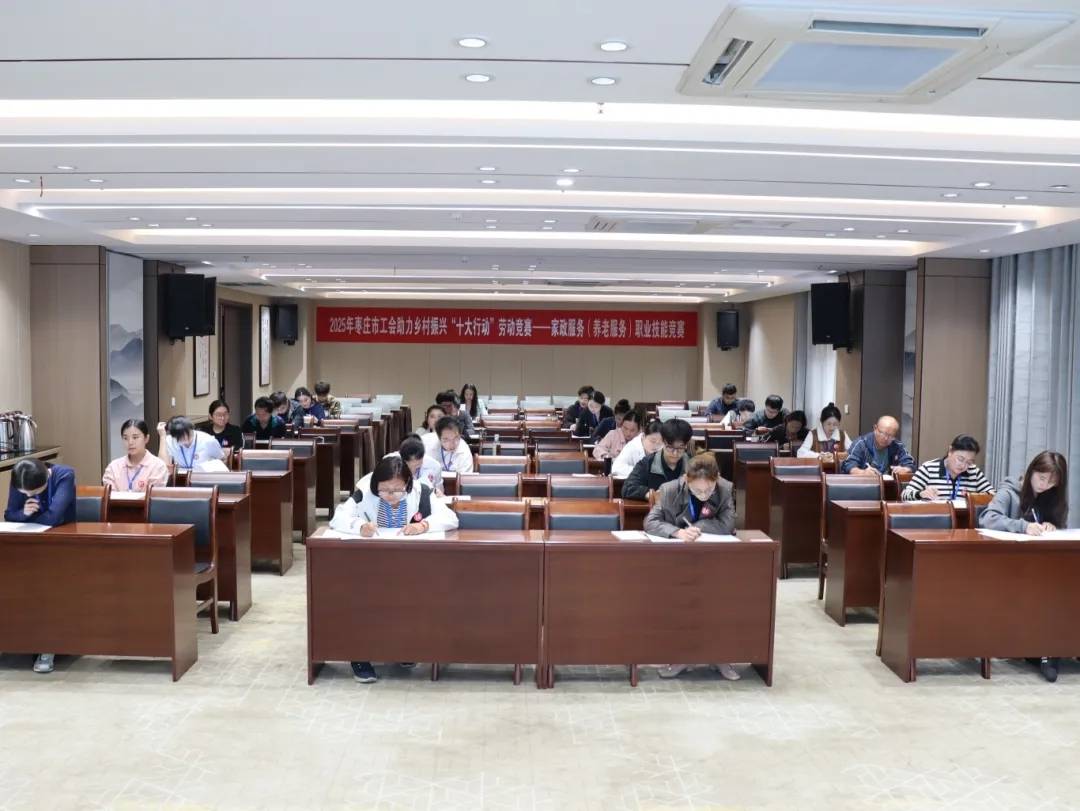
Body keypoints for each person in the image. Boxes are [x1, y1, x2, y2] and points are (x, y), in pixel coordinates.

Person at [329, 455, 459, 684]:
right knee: (365, 606)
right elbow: (338, 517)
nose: (390, 496)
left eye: (397, 490)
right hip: (369, 565)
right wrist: (359, 526)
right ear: (375, 485)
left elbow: (450, 517)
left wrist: (423, 525)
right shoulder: (364, 491)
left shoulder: (422, 491)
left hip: (408, 565)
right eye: (384, 490)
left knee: (407, 605)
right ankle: (360, 657)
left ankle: (403, 649)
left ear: (407, 484)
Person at [644, 451, 741, 682]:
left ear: (716, 480)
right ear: (687, 481)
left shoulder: (725, 488)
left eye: (709, 490)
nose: (704, 495)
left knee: (720, 601)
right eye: (698, 491)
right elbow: (650, 522)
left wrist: (699, 527)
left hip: (714, 561)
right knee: (683, 602)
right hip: (676, 562)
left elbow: (728, 524)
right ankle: (681, 656)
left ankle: (719, 655)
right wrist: (677, 532)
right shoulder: (669, 490)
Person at [980, 451, 1069, 682]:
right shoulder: (1010, 491)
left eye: (1051, 482)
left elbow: (1059, 526)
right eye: (1041, 478)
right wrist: (1023, 526)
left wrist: (1051, 526)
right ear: (1031, 472)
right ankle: (1047, 652)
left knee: (1063, 585)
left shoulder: (1051, 497)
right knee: (1047, 589)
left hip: (1040, 564)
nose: (1044, 485)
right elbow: (988, 518)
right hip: (1008, 565)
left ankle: (1050, 649)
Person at [5, 457, 76, 675]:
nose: (29, 496)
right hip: (28, 546)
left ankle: (47, 646)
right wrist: (24, 513)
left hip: (63, 545)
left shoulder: (64, 475)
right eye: (24, 493)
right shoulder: (21, 476)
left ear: (46, 477)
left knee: (49, 589)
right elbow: (9, 514)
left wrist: (27, 517)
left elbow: (54, 517)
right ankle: (18, 640)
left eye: (34, 492)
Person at [901, 435, 993, 501]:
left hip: (966, 520)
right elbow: (904, 495)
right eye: (960, 459)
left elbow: (993, 495)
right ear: (950, 451)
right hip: (937, 519)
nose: (963, 466)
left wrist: (973, 497)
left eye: (969, 462)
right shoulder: (928, 468)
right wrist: (921, 494)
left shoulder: (974, 472)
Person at [622, 418, 693, 501]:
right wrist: (651, 494)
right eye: (670, 447)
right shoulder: (648, 463)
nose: (675, 453)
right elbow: (627, 488)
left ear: (686, 445)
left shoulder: (692, 464)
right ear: (663, 442)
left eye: (680, 448)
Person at [355, 435, 445, 498]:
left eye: (417, 466)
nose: (412, 471)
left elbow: (440, 492)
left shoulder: (434, 465)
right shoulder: (389, 461)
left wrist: (438, 495)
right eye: (408, 467)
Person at [102, 419, 170, 492]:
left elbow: (154, 495)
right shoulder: (113, 467)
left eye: (135, 437)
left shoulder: (158, 466)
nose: (130, 442)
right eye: (125, 438)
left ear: (146, 439)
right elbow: (109, 495)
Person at [840, 416, 915, 476]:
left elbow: (910, 463)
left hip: (889, 486)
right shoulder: (861, 443)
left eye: (891, 436)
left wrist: (905, 469)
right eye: (883, 433)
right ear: (875, 428)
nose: (886, 438)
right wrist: (863, 473)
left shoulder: (897, 446)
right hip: (865, 485)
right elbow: (848, 465)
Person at [156, 416, 227, 472]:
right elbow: (163, 467)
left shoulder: (208, 440)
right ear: (173, 436)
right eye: (181, 437)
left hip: (205, 479)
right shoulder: (169, 440)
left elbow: (223, 459)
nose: (186, 439)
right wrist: (162, 437)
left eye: (189, 435)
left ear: (192, 429)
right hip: (181, 479)